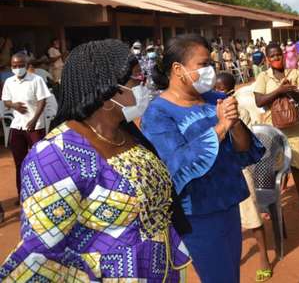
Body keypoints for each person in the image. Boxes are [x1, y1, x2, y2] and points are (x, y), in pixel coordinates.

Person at [0, 40, 192, 281]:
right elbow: (41, 252)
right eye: (136, 79)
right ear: (107, 90)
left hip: (162, 270)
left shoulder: (128, 134)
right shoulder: (55, 155)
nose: (142, 86)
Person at [142, 35, 264, 283]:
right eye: (203, 64)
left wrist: (235, 122)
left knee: (232, 273)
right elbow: (175, 165)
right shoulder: (159, 114)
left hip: (228, 201)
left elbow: (243, 150)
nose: (211, 71)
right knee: (218, 278)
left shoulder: (212, 98)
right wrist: (220, 127)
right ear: (178, 69)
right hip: (197, 213)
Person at [214, 72, 273, 282]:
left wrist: (228, 120)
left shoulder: (240, 111)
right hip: (220, 173)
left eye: (219, 89)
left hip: (240, 170)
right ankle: (231, 255)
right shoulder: (213, 110)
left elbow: (241, 144)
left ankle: (264, 257)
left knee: (252, 216)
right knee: (226, 220)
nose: (216, 93)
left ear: (230, 91)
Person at [254, 43, 299, 214]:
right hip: (273, 128)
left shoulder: (295, 73)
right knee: (271, 166)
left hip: (294, 126)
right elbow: (259, 101)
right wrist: (280, 90)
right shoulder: (263, 77)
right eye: (272, 56)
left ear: (284, 55)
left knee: (297, 164)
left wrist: (290, 90)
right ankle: (269, 204)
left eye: (279, 55)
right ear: (267, 59)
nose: (276, 58)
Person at [2, 53, 51, 198]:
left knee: (39, 161)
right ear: (11, 66)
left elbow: (42, 100)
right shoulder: (9, 82)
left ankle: (42, 194)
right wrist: (14, 105)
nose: (18, 68)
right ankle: (22, 194)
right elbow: (6, 101)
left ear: (26, 65)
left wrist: (35, 119)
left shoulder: (36, 80)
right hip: (17, 126)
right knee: (19, 162)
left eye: (20, 65)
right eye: (14, 66)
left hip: (35, 127)